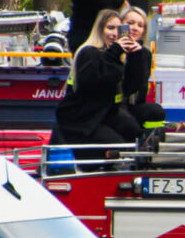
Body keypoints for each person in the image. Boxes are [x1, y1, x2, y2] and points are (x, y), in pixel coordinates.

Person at [52, 9, 138, 159]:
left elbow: (134, 87)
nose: (114, 34)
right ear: (100, 30)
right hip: (79, 121)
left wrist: (139, 55)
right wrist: (114, 53)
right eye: (109, 28)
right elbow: (94, 82)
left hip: (100, 117)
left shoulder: (116, 56)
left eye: (118, 30)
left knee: (133, 132)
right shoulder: (89, 52)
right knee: (116, 146)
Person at [119, 8, 167, 140]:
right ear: (120, 24)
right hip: (113, 107)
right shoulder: (110, 48)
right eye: (130, 23)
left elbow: (137, 85)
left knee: (156, 111)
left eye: (140, 25)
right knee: (129, 125)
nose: (135, 28)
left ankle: (151, 143)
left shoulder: (144, 54)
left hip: (133, 105)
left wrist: (137, 56)